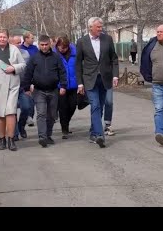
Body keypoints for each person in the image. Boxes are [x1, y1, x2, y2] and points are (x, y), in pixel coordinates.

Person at [76, 17, 119, 148]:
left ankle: (93, 132)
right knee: (95, 105)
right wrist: (80, 83)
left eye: (101, 27)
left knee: (100, 106)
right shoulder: (82, 41)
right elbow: (78, 64)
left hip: (104, 78)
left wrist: (115, 75)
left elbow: (114, 59)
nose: (101, 29)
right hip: (89, 79)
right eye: (98, 27)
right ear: (90, 27)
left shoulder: (108, 39)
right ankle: (100, 135)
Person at [21, 35, 67, 147]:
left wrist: (63, 86)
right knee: (41, 113)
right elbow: (28, 73)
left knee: (51, 115)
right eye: (42, 45)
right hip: (39, 90)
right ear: (39, 45)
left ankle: (48, 135)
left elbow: (62, 72)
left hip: (53, 90)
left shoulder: (56, 57)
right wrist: (26, 88)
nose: (44, 47)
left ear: (50, 44)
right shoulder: (34, 58)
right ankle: (42, 137)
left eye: (46, 45)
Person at [55, 35, 77, 139]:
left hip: (73, 85)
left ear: (68, 46)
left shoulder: (75, 53)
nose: (61, 49)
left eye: (63, 47)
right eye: (59, 47)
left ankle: (66, 122)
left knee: (72, 106)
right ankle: (64, 129)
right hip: (60, 86)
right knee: (63, 108)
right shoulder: (54, 54)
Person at [20, 31, 38, 126]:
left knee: (31, 98)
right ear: (26, 39)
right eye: (31, 38)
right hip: (21, 77)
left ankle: (30, 116)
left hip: (32, 75)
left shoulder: (35, 49)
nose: (33, 39)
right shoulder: (21, 49)